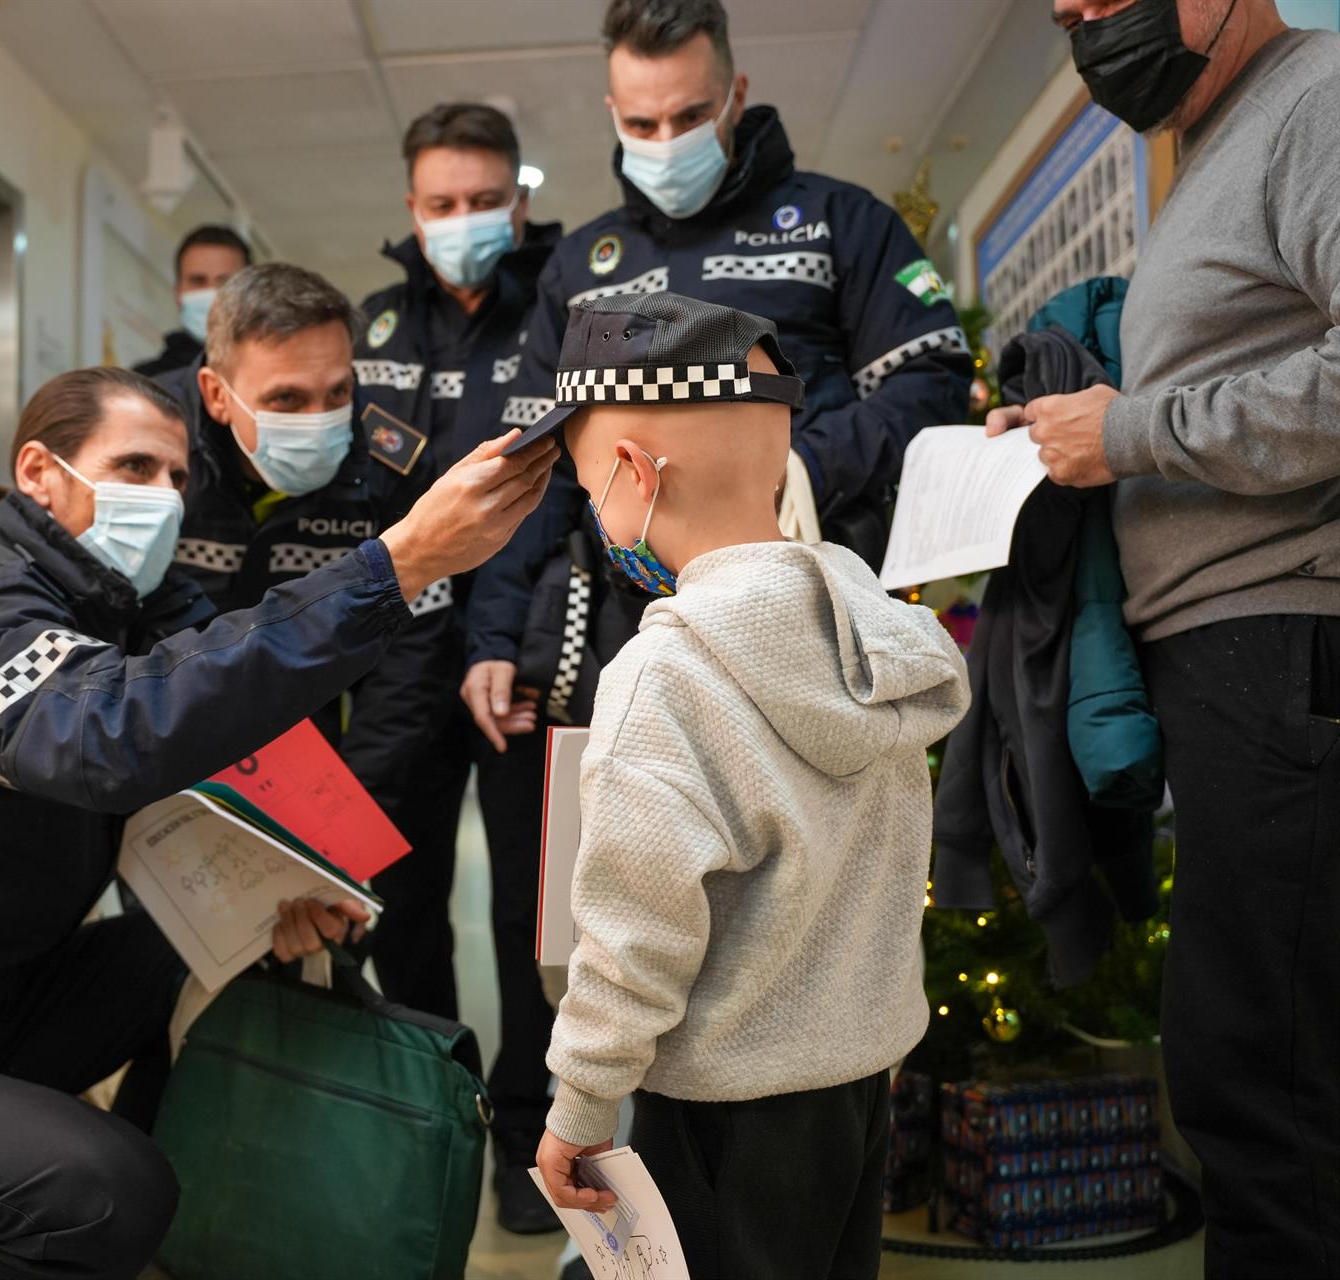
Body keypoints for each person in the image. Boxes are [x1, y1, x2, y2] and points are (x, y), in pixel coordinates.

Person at [0, 365, 556, 1280]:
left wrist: (288, 898)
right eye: (133, 467)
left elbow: (207, 700)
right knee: (105, 1194)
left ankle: (44, 1222)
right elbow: (111, 736)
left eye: (177, 478)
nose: (163, 499)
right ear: (40, 472)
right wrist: (398, 562)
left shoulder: (114, 617)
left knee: (212, 951)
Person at [990, 2, 1340, 1270]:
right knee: (1256, 1077)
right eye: (1068, 13)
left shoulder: (1316, 101)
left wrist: (1131, 435)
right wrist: (1064, 433)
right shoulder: (1219, 137)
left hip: (1284, 642)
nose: (1091, 29)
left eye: (1108, 1)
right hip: (1232, 660)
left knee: (1267, 1093)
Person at [522, 294, 967, 1276]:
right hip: (858, 1085)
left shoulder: (663, 676)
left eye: (593, 484)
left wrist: (581, 1105)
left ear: (634, 474)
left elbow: (637, 935)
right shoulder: (870, 629)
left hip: (726, 1102)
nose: (600, 512)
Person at [464, 0, 972, 756]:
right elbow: (534, 458)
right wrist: (495, 632)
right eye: (641, 125)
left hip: (816, 593)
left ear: (736, 93)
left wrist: (791, 471)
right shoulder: (579, 265)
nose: (666, 142)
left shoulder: (840, 221)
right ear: (613, 113)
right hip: (628, 619)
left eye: (690, 116)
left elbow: (930, 378)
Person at [346, 100, 566, 1234]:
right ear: (412, 209)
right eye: (443, 204)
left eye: (486, 201)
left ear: (518, 201)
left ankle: (529, 1144)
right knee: (403, 903)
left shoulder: (566, 308)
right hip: (401, 666)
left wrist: (510, 636)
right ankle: (444, 1111)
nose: (465, 221)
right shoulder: (376, 327)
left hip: (527, 656)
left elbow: (575, 493)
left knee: (534, 912)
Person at [156, 262, 453, 845]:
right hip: (165, 739)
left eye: (337, 391)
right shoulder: (147, 449)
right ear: (217, 394)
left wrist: (345, 818)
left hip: (320, 742)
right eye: (286, 399)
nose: (319, 421)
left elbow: (411, 660)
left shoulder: (394, 468)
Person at [133, 224, 251, 379]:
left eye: (224, 282)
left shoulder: (273, 374)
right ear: (178, 293)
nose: (212, 293)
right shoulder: (144, 383)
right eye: (198, 281)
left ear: (250, 293)